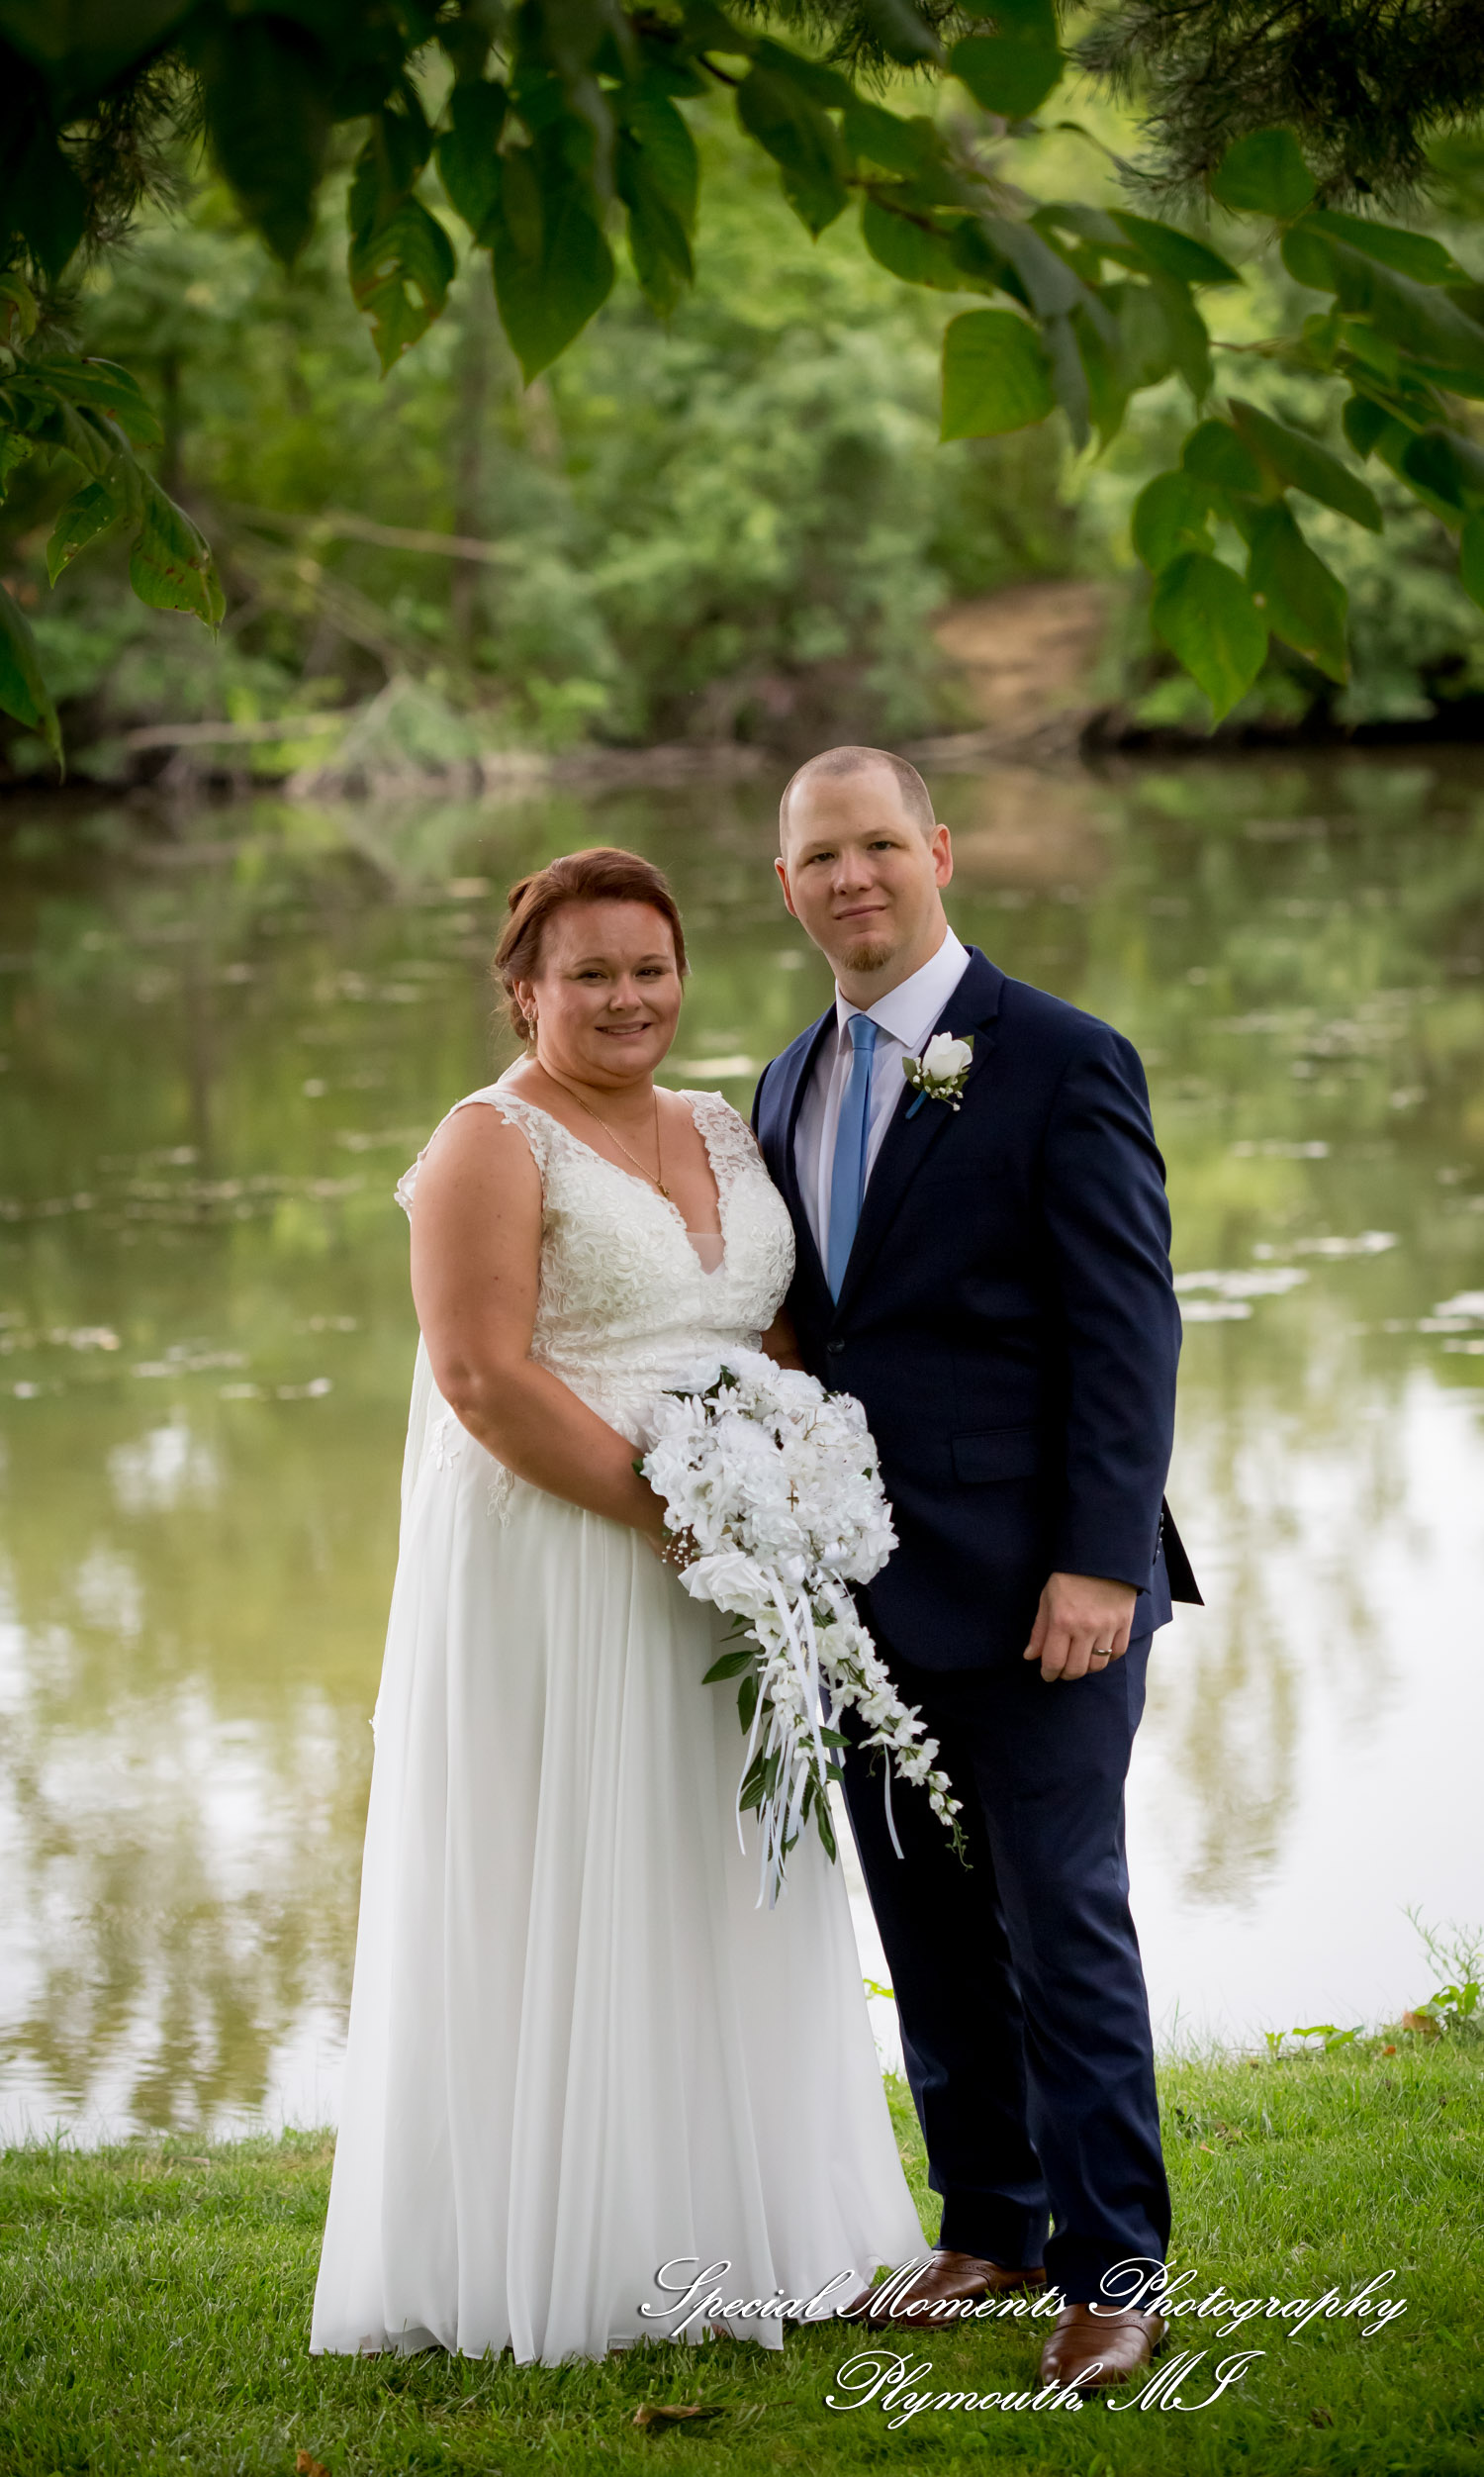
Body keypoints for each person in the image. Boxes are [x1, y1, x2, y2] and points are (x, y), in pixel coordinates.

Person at [312, 845, 923, 2366]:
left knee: (714, 1868)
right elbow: (482, 1378)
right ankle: (578, 2251)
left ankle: (762, 2231)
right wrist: (677, 1515)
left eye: (651, 969)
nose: (628, 997)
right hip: (567, 1558)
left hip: (726, 1563)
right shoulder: (488, 1141)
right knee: (574, 1868)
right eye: (590, 973)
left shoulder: (720, 1123)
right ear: (525, 992)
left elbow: (768, 1327)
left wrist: (785, 1481)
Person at [752, 747, 1202, 2394]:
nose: (853, 877)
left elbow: (1129, 1334)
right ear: (786, 885)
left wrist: (1098, 1563)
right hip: (863, 1591)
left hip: (1042, 1590)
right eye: (823, 855)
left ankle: (1115, 2271)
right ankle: (993, 2221)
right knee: (926, 1921)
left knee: (1059, 1919)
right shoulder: (781, 1083)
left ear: (937, 851)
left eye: (881, 843)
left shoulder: (1061, 1057)